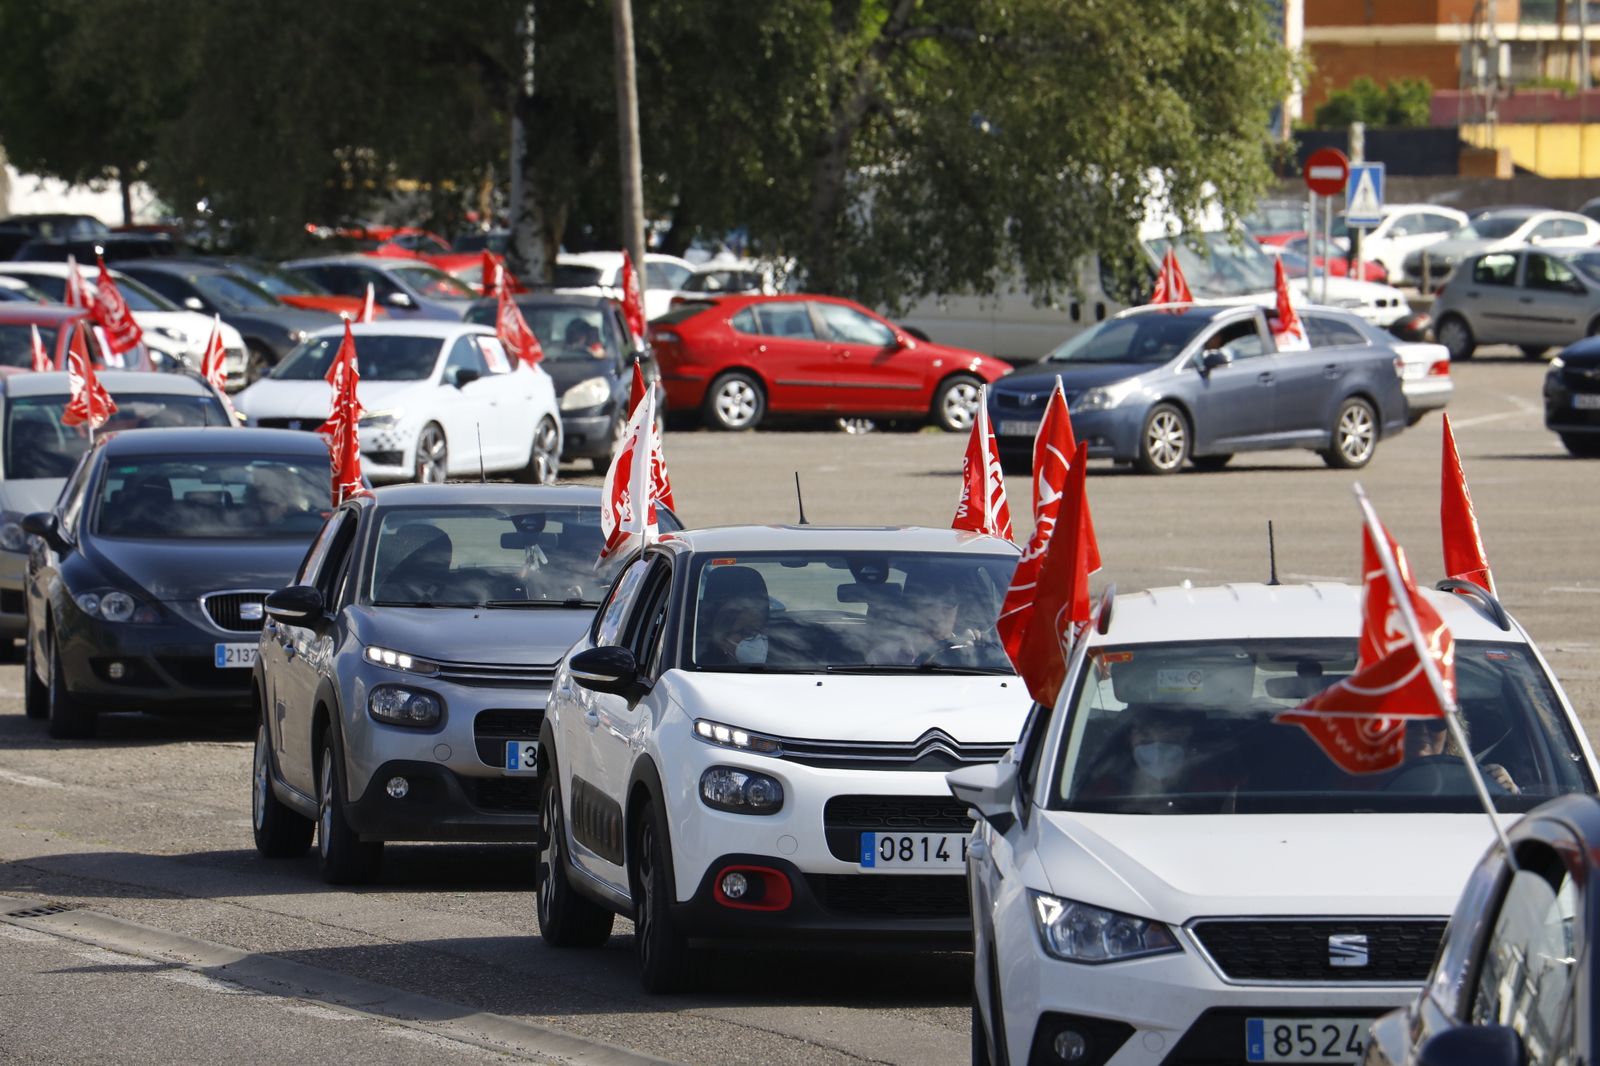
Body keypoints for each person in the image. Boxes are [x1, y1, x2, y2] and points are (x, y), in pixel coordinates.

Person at [1403, 718, 1518, 793]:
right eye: (1411, 720)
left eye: (1436, 722)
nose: (1423, 729)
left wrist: (1507, 792)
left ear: (1449, 734)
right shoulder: (1383, 781)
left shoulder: (1475, 782)